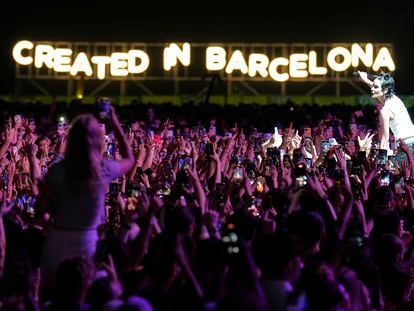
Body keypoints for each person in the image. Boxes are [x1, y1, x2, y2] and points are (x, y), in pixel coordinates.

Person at [38, 105, 134, 290]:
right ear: (97, 141)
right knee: (83, 293)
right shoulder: (104, 170)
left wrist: (49, 223)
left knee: (52, 294)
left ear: (72, 139)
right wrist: (114, 122)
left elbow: (40, 210)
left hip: (57, 241)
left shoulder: (57, 170)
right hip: (87, 243)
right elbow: (130, 159)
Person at [356, 71, 414, 159]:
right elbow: (379, 88)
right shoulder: (394, 98)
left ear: (385, 90)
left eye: (375, 87)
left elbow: (385, 139)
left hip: (407, 146)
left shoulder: (385, 110)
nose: (372, 89)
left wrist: (382, 160)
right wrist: (365, 79)